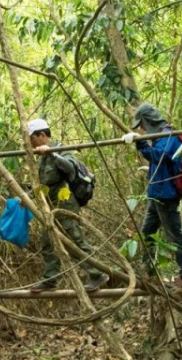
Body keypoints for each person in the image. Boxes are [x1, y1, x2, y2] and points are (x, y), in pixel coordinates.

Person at [27, 118, 109, 293]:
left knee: (75, 241)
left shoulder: (60, 149)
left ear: (42, 135)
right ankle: (50, 279)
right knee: (47, 242)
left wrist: (51, 152)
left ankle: (97, 274)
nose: (31, 143)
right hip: (49, 207)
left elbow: (70, 167)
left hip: (65, 205)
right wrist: (25, 197)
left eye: (32, 139)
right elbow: (42, 183)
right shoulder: (40, 158)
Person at [122, 103, 182, 287]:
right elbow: (159, 162)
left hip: (166, 196)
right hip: (156, 194)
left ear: (148, 121)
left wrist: (140, 142)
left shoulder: (169, 136)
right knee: (147, 233)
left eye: (142, 124)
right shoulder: (160, 136)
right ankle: (149, 271)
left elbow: (158, 156)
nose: (142, 128)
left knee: (175, 235)